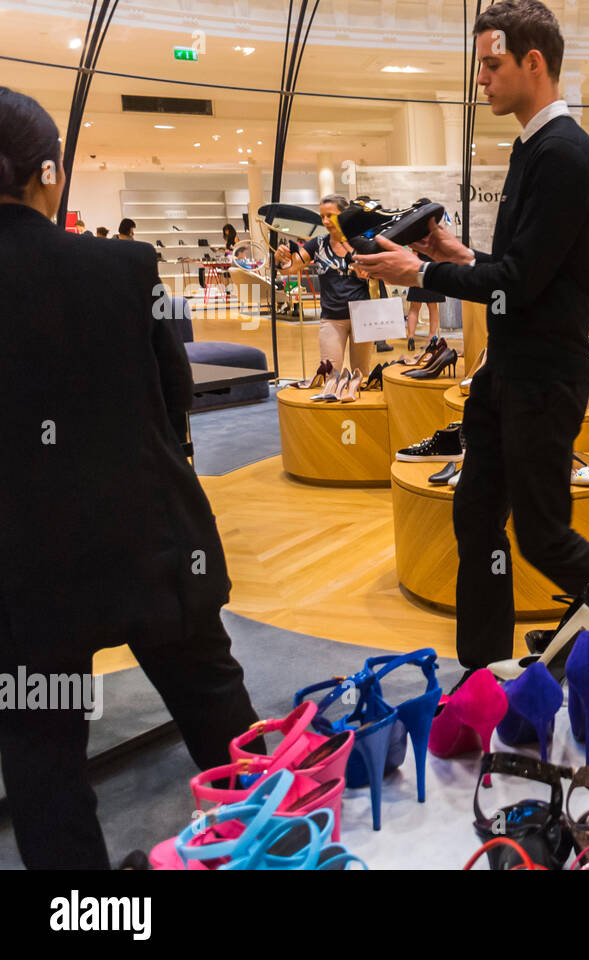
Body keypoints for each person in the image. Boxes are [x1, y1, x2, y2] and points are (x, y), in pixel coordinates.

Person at [0, 86, 260, 869]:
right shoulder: (124, 266)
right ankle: (272, 843)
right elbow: (175, 393)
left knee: (45, 758)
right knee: (223, 721)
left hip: (24, 574)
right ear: (50, 173)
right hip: (152, 542)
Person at [355, 0, 589, 672]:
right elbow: (514, 273)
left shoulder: (563, 155)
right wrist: (455, 253)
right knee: (477, 519)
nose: (482, 80)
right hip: (510, 372)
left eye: (492, 64)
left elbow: (522, 283)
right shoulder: (537, 148)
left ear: (534, 62)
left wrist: (422, 268)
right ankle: (482, 674)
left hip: (542, 377)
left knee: (541, 536)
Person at [275, 194, 381, 373]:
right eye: (322, 216)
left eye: (330, 215)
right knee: (331, 374)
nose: (325, 221)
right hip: (332, 318)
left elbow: (382, 274)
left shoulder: (362, 243)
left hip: (362, 316)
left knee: (361, 373)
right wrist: (279, 259)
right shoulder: (317, 244)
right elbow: (289, 269)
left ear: (344, 215)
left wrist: (369, 273)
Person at [404, 198, 446, 351]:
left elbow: (414, 254)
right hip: (433, 270)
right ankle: (431, 338)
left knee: (414, 307)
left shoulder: (415, 230)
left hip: (418, 270)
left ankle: (411, 337)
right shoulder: (436, 229)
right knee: (432, 307)